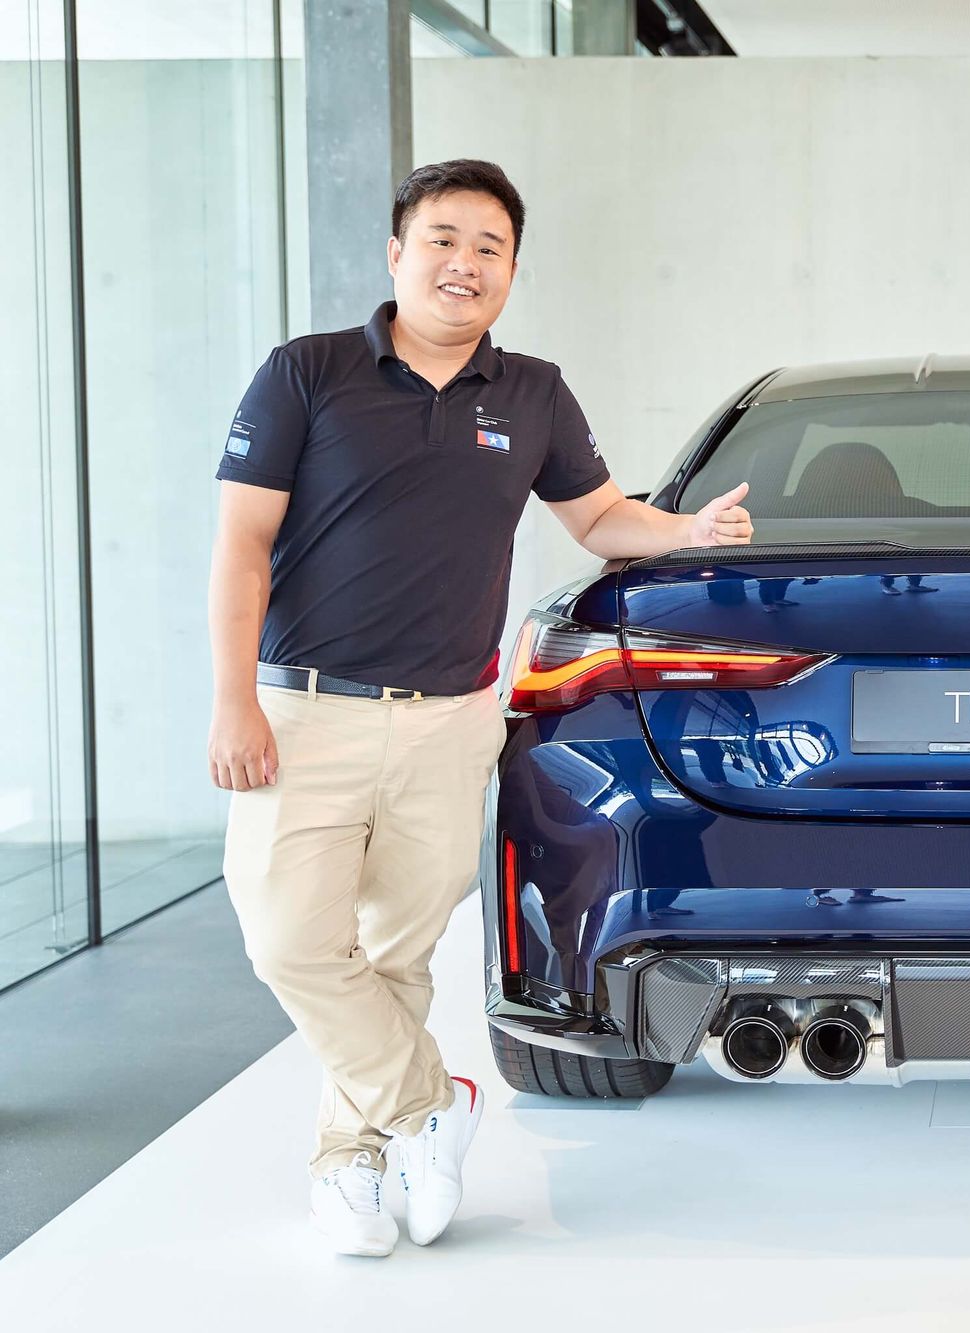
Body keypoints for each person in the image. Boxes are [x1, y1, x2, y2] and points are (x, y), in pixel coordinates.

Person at [207, 159, 752, 1257]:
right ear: (397, 252)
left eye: (489, 248)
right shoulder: (306, 373)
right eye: (443, 240)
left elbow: (597, 518)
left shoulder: (533, 392)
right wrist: (232, 702)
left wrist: (687, 532)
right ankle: (431, 1102)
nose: (464, 263)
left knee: (394, 957)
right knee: (290, 942)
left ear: (510, 270)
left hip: (452, 722)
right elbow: (241, 546)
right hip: (304, 712)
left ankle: (351, 1165)